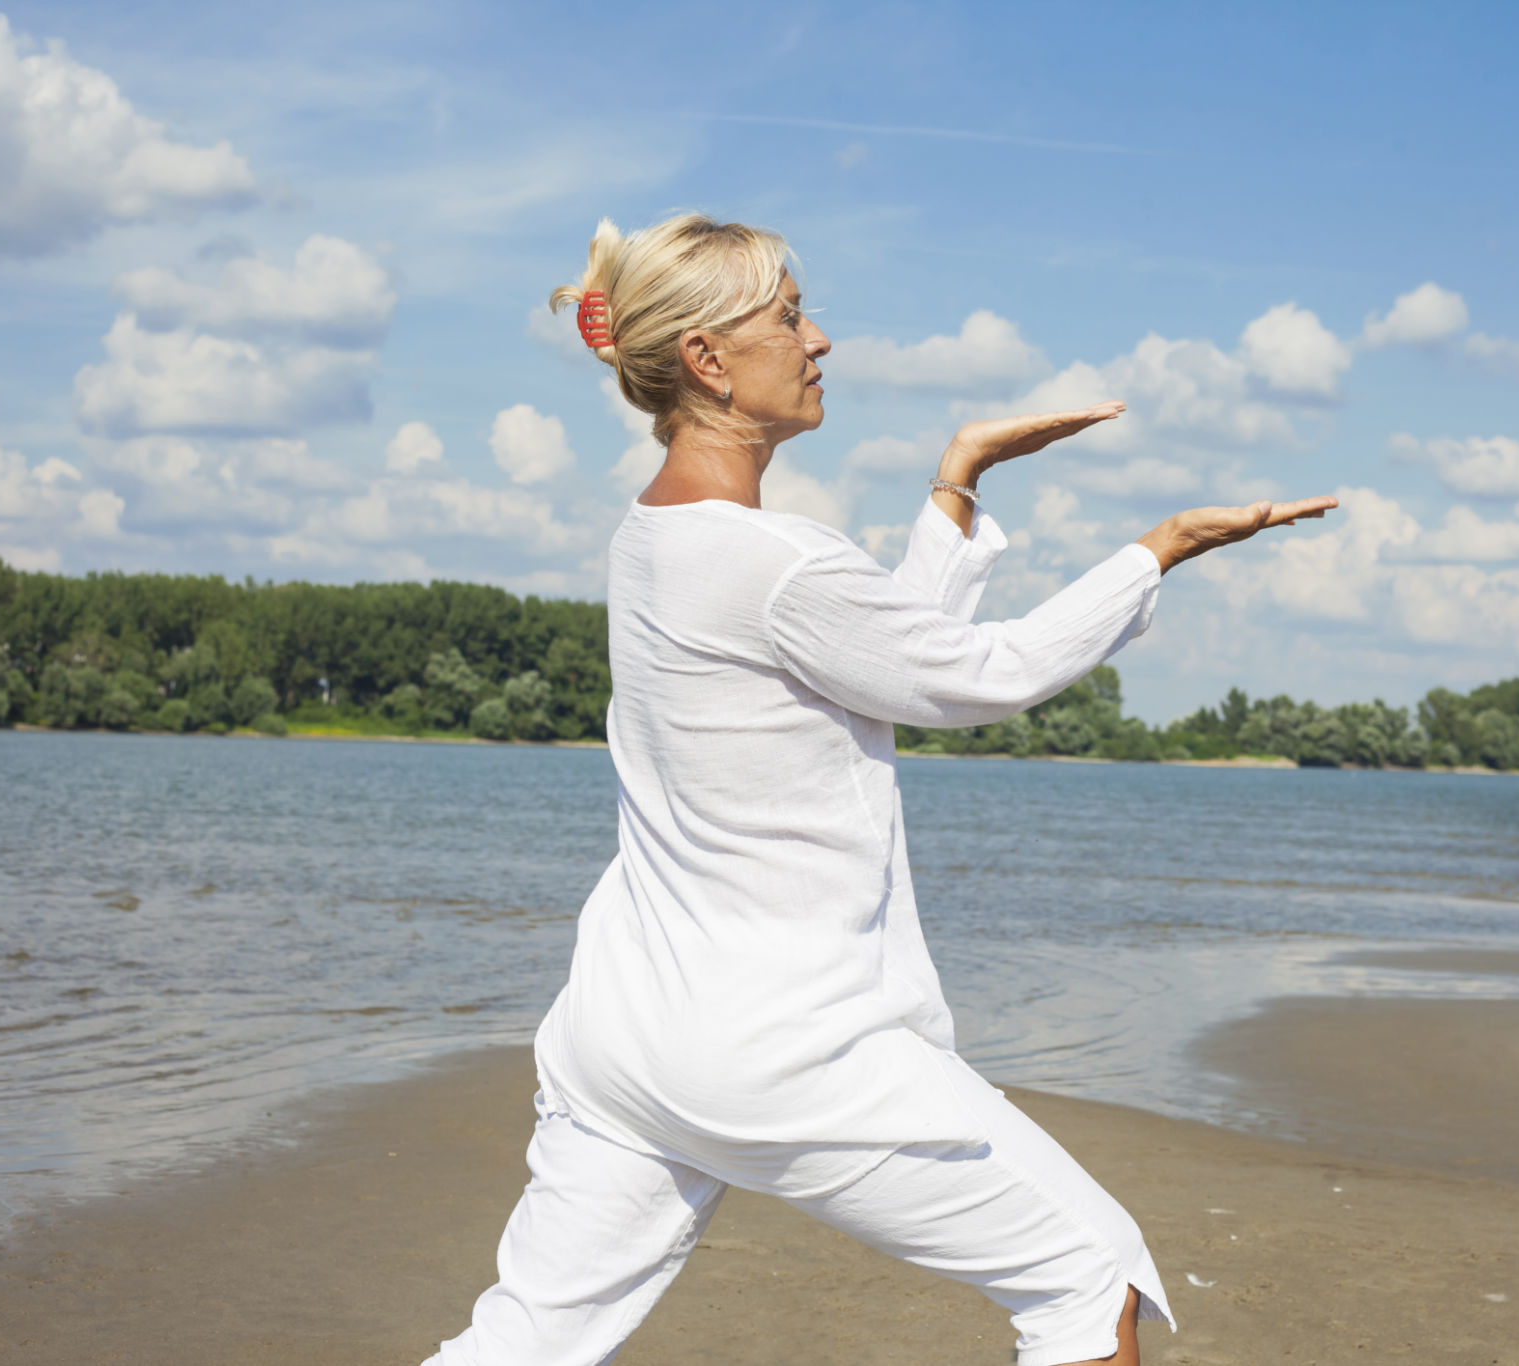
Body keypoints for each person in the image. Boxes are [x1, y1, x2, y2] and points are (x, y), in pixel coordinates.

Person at [424, 213, 1337, 1366]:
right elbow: (978, 674)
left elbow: (885, 661)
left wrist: (957, 478)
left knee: (524, 1340)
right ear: (706, 358)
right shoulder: (773, 561)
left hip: (625, 1032)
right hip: (774, 1047)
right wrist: (1156, 549)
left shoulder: (648, 539)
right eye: (790, 314)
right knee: (1082, 1281)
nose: (820, 339)